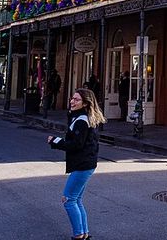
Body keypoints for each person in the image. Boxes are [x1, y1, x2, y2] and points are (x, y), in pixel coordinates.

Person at [47, 88, 106, 240]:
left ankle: (79, 235)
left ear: (86, 103)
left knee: (68, 199)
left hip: (83, 164)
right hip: (87, 163)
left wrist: (56, 141)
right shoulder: (83, 118)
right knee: (76, 199)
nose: (72, 101)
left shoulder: (81, 121)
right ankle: (83, 233)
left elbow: (76, 144)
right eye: (72, 98)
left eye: (76, 99)